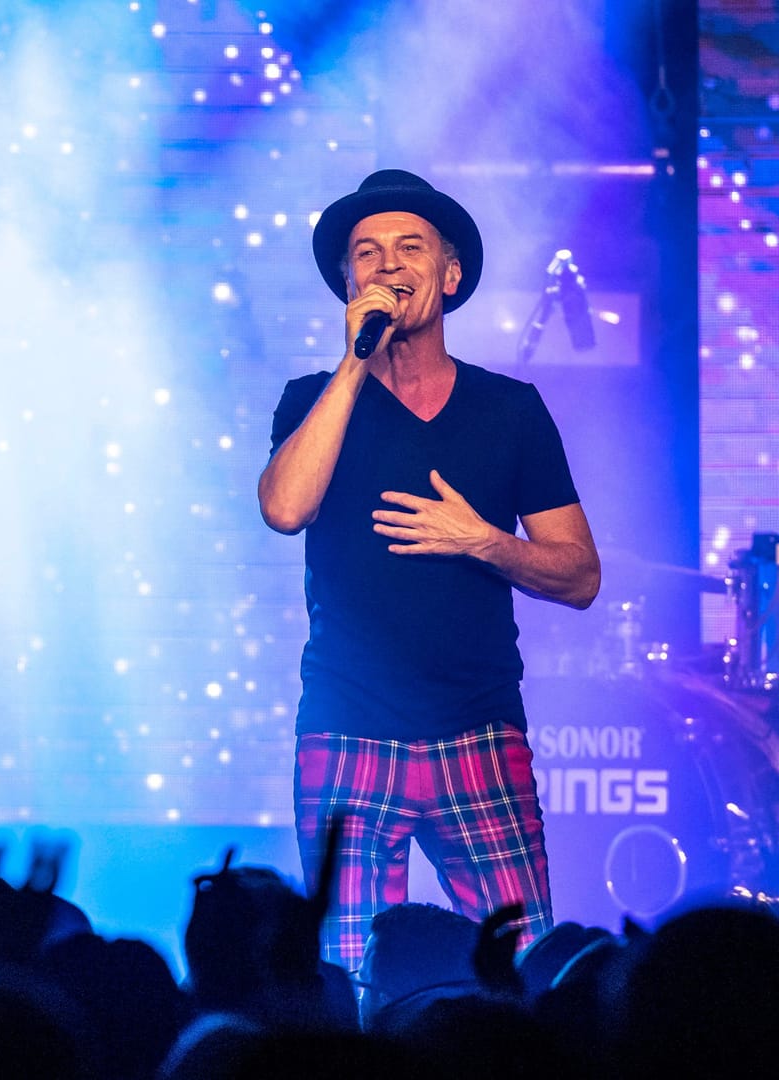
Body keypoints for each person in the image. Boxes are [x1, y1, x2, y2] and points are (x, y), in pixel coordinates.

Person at [257, 169, 601, 972]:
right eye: (366, 254)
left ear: (449, 276)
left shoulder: (509, 410)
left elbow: (580, 576)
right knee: (348, 974)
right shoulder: (312, 398)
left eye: (409, 247)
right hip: (348, 730)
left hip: (477, 730)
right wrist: (353, 364)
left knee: (521, 967)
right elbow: (284, 507)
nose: (386, 264)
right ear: (348, 283)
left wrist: (480, 539)